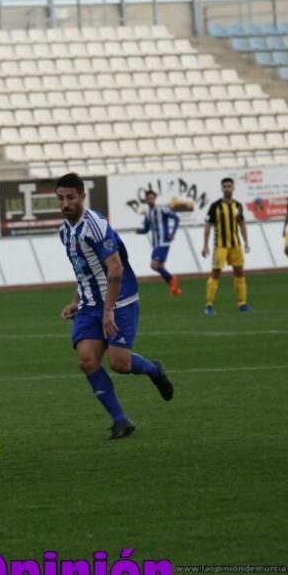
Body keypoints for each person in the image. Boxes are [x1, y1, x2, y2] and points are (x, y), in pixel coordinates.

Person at [56, 173, 174, 440]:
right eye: (61, 199)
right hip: (89, 304)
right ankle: (121, 420)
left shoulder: (95, 225)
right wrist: (76, 301)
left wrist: (108, 310)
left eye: (71, 197)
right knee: (87, 360)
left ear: (82, 197)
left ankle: (154, 369)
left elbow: (115, 266)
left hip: (119, 299)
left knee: (119, 363)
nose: (65, 204)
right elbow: (85, 271)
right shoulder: (65, 232)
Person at [201, 177, 252, 315]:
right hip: (220, 246)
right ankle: (209, 305)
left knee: (239, 272)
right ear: (221, 188)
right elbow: (208, 226)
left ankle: (242, 303)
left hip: (235, 245)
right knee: (216, 273)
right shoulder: (215, 206)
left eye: (229, 186)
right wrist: (205, 245)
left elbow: (241, 224)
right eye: (225, 186)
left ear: (233, 188)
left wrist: (246, 241)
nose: (227, 188)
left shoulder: (238, 206)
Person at [136, 188, 182, 296]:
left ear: (155, 199)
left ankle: (172, 280)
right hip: (156, 243)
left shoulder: (162, 209)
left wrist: (173, 233)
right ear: (146, 200)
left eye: (152, 198)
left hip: (163, 241)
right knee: (160, 266)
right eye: (148, 199)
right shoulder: (148, 214)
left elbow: (176, 218)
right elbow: (146, 229)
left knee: (154, 265)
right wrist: (138, 231)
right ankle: (174, 289)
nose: (150, 200)